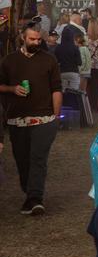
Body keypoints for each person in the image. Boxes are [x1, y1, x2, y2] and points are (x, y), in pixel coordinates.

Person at [0, 22, 62, 215]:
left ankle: (35, 198)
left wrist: (55, 116)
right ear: (23, 38)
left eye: (38, 39)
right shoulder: (9, 61)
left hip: (44, 118)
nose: (36, 42)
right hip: (17, 119)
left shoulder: (49, 60)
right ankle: (29, 192)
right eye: (32, 39)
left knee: (38, 157)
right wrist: (12, 89)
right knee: (22, 159)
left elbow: (56, 89)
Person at [55, 25, 82, 90]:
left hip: (62, 72)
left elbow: (56, 61)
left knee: (63, 92)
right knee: (74, 92)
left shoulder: (58, 48)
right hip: (73, 72)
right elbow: (79, 62)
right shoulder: (75, 48)